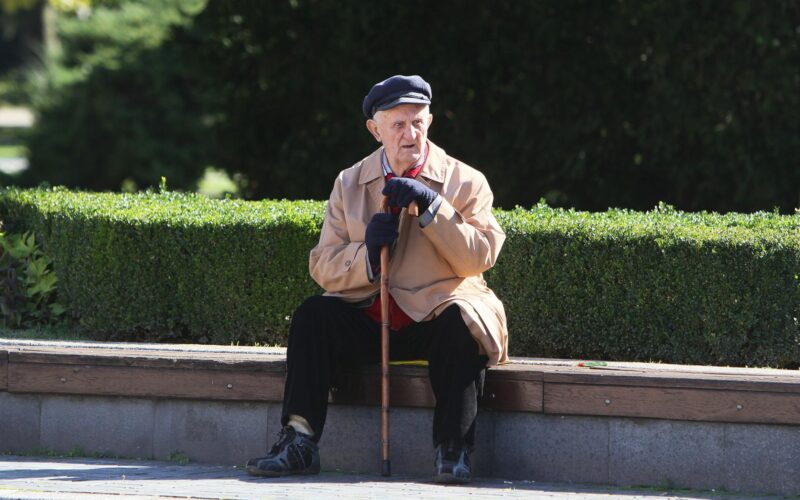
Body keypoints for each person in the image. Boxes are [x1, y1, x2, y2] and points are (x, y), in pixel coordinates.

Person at [246, 75, 508, 484]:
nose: (411, 134)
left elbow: (480, 257)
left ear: (430, 121)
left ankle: (453, 449)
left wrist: (433, 207)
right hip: (371, 315)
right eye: (398, 124)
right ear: (375, 129)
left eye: (418, 122)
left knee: (464, 321)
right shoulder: (348, 182)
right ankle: (299, 441)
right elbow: (322, 264)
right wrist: (367, 255)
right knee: (313, 316)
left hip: (435, 313)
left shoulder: (467, 181)